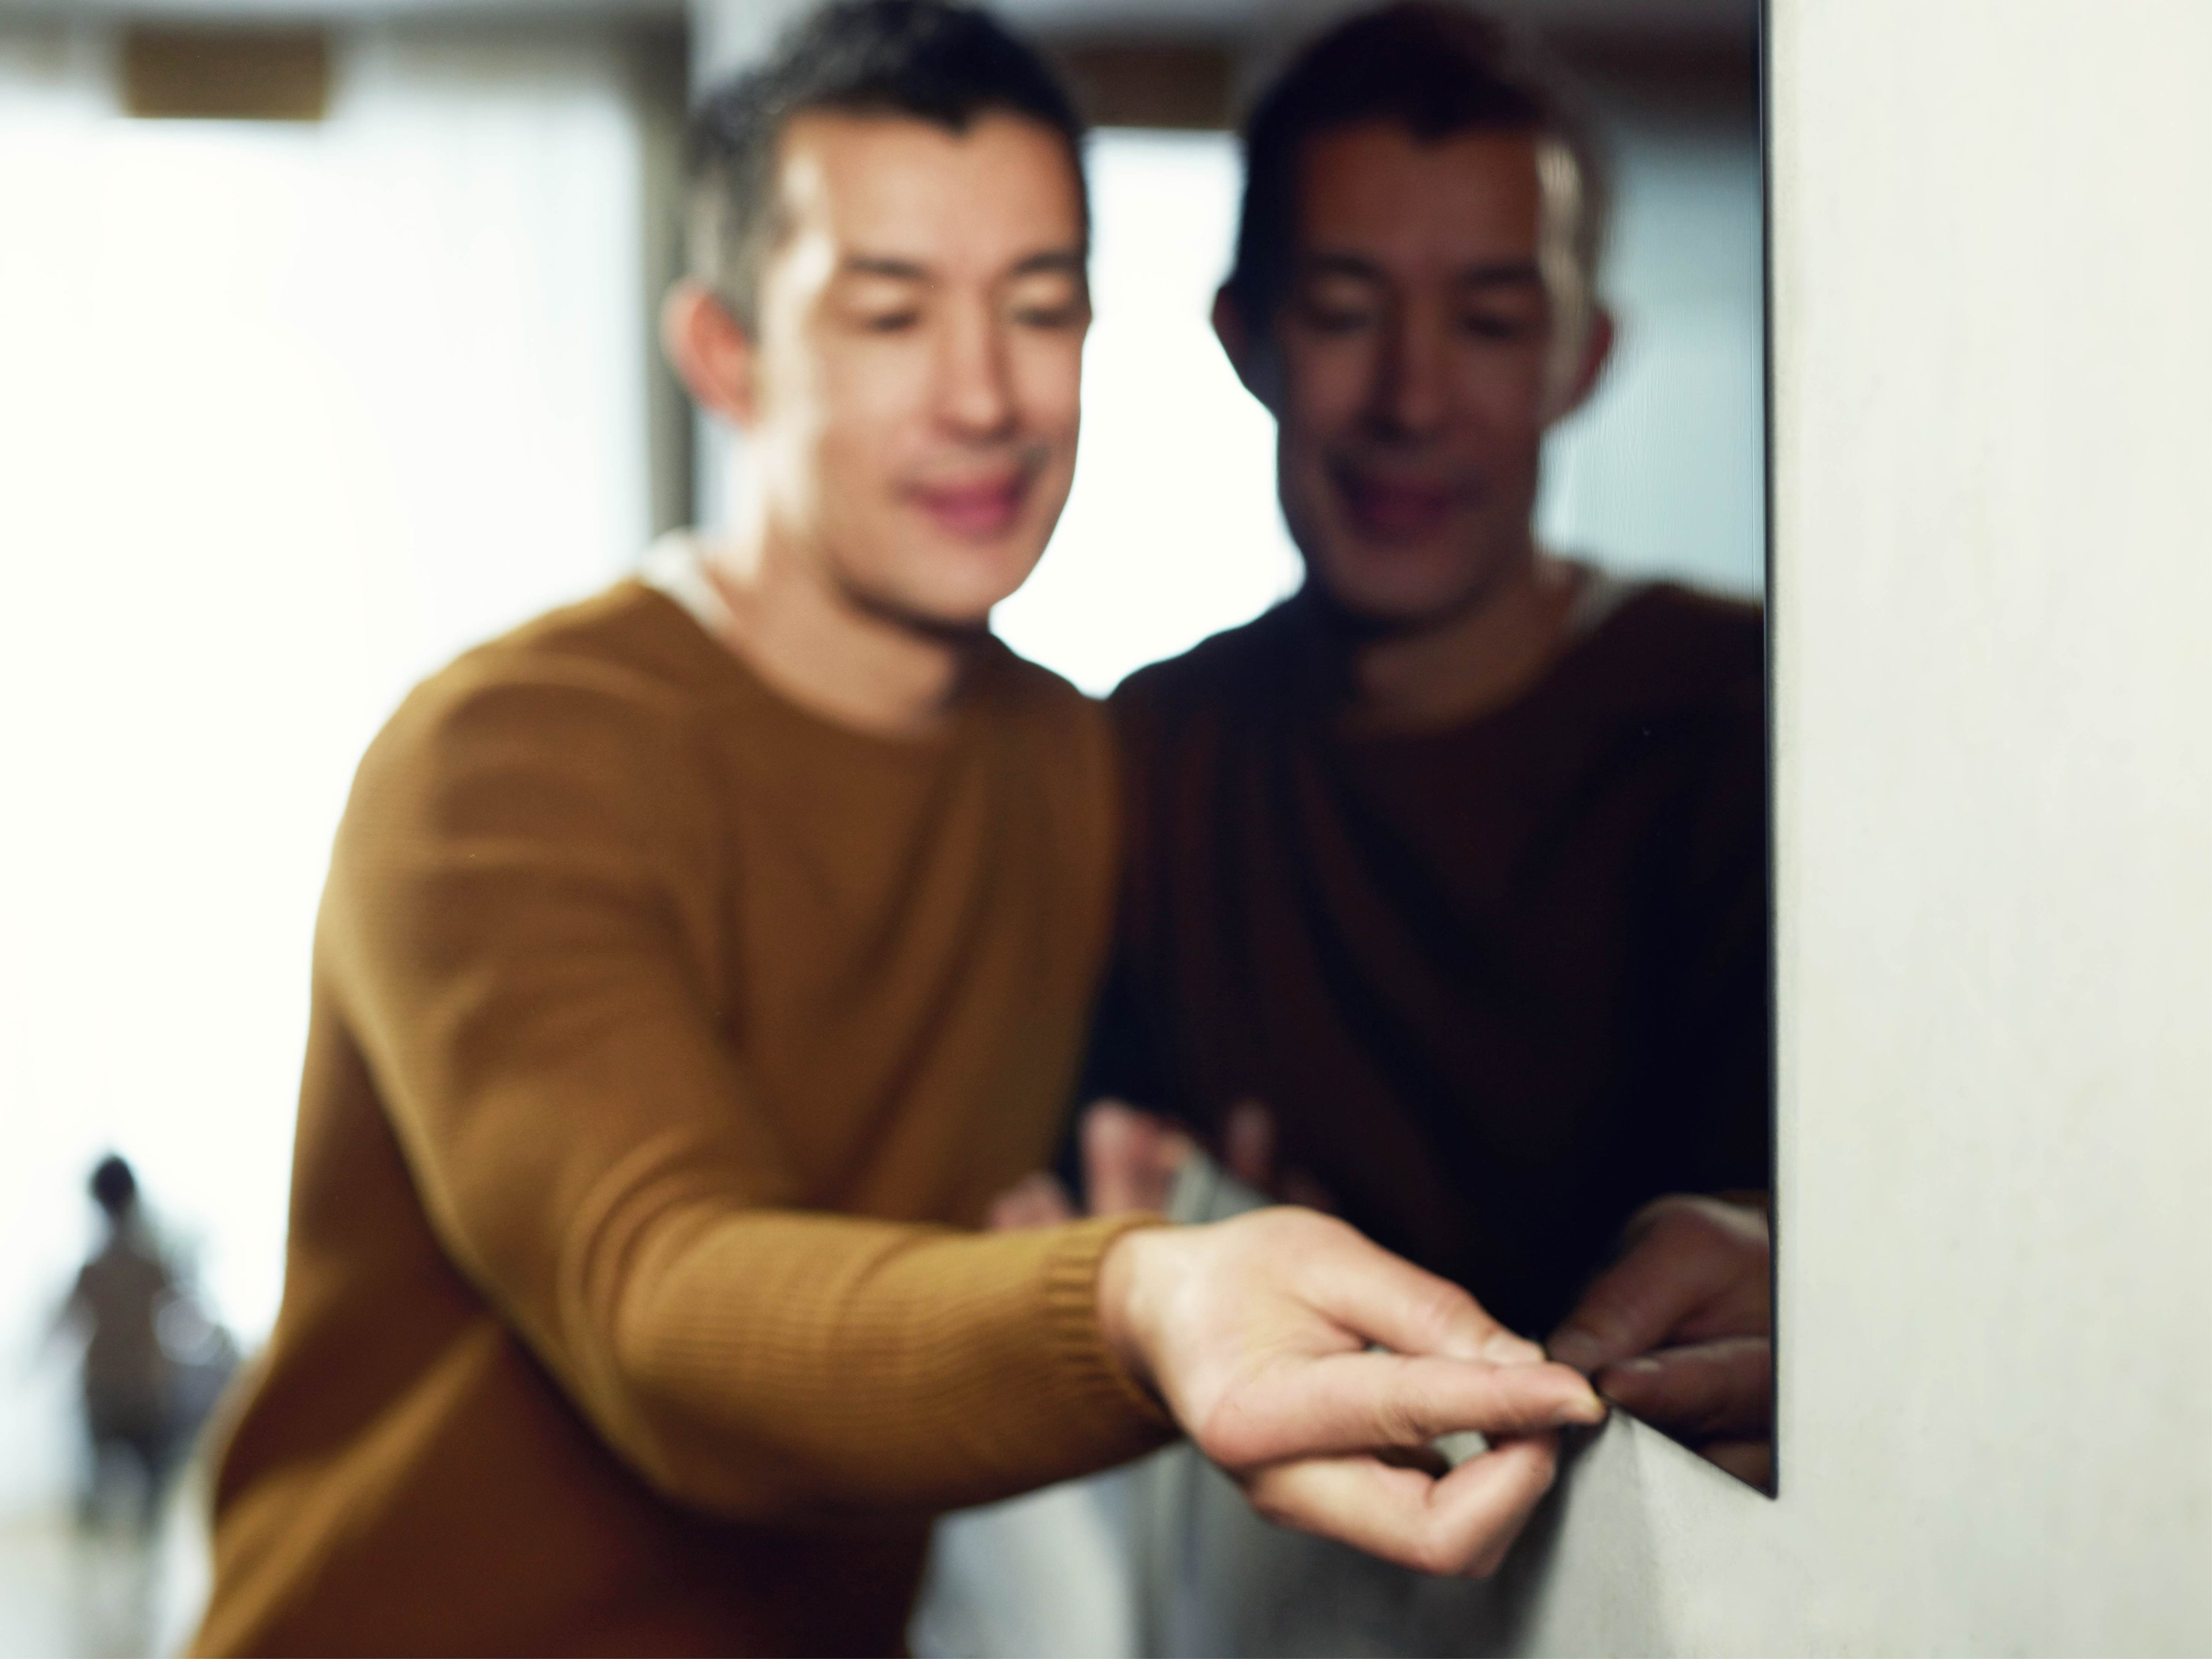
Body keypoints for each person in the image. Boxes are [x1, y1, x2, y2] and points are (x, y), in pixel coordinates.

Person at [190, 5, 1604, 1654]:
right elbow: (664, 1300)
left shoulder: (1077, 770)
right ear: (726, 353)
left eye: (1041, 306)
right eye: (889, 313)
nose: (988, 397)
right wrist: (1136, 1301)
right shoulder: (501, 763)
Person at [1069, 0, 1772, 1483]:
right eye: (1342, 310)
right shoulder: (1148, 756)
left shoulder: (1750, 714)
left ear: (1579, 358)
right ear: (1242, 338)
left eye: (1490, 321)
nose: (1410, 398)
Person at [61, 1155, 180, 1536]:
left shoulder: (93, 1271)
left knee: (97, 1493)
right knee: (150, 1495)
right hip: (141, 1393)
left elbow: (61, 1324)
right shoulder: (151, 1265)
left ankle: (99, 1552)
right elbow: (187, 1311)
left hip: (109, 1395)